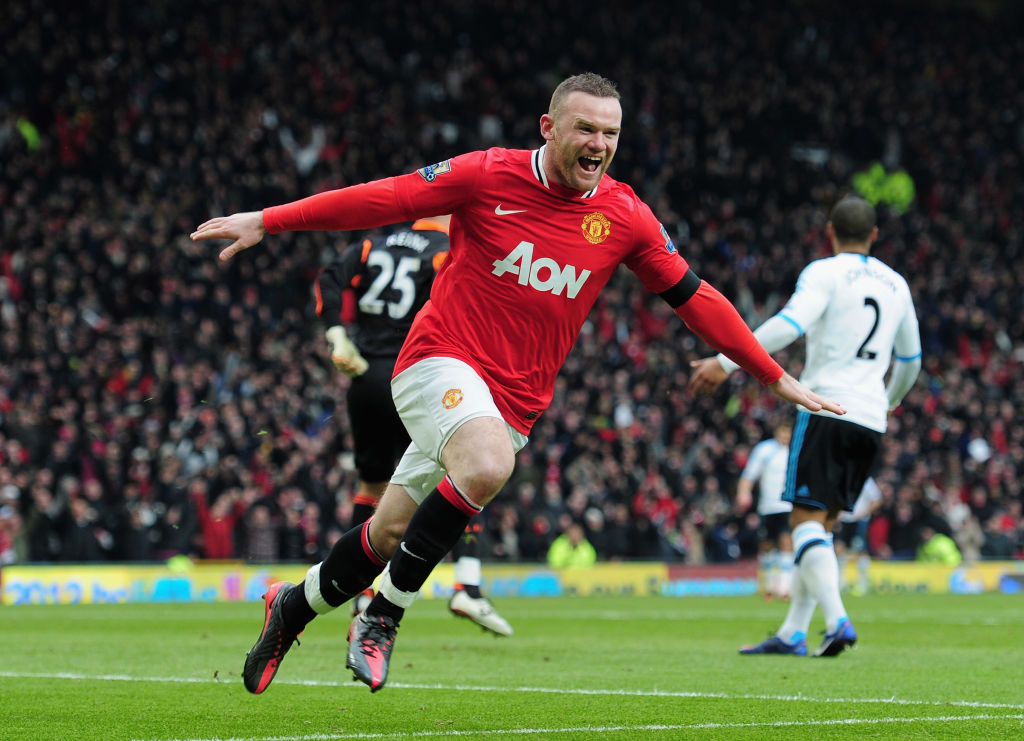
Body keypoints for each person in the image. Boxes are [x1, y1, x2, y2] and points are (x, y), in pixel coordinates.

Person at [192, 72, 844, 692]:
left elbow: (696, 297)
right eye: (585, 128)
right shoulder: (487, 173)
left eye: (610, 134)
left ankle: (292, 607)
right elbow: (385, 196)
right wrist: (270, 219)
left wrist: (771, 372)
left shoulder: (625, 216)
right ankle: (384, 613)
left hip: (514, 400)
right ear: (548, 127)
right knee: (485, 463)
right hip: (434, 361)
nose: (599, 145)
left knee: (388, 533)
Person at [690, 194, 921, 658]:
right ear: (874, 236)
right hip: (871, 417)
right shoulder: (897, 284)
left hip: (825, 407)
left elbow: (790, 325)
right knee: (823, 527)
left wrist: (724, 360)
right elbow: (911, 360)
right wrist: (888, 402)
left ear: (830, 232)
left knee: (804, 522)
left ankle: (837, 621)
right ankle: (795, 631)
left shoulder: (824, 272)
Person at [315, 215, 512, 635]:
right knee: (469, 470)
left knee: (370, 487)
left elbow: (330, 276)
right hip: (418, 375)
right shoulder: (446, 251)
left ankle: (360, 592)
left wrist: (336, 333)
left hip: (364, 377)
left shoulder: (373, 246)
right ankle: (468, 586)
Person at [736, 421, 794, 600]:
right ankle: (769, 586)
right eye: (782, 431)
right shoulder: (764, 450)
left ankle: (785, 587)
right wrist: (743, 493)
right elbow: (749, 474)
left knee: (786, 541)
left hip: (788, 504)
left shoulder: (797, 450)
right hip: (768, 506)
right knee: (767, 545)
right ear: (776, 431)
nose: (785, 436)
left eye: (788, 432)